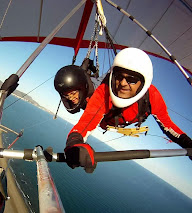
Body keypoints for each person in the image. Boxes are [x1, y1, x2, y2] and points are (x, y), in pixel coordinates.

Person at [63, 47, 192, 173]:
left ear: (143, 83)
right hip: (106, 121)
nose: (123, 83)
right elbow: (85, 123)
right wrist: (74, 143)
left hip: (124, 119)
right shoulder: (104, 92)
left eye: (132, 79)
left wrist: (188, 143)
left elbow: (168, 126)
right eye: (119, 76)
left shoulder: (152, 96)